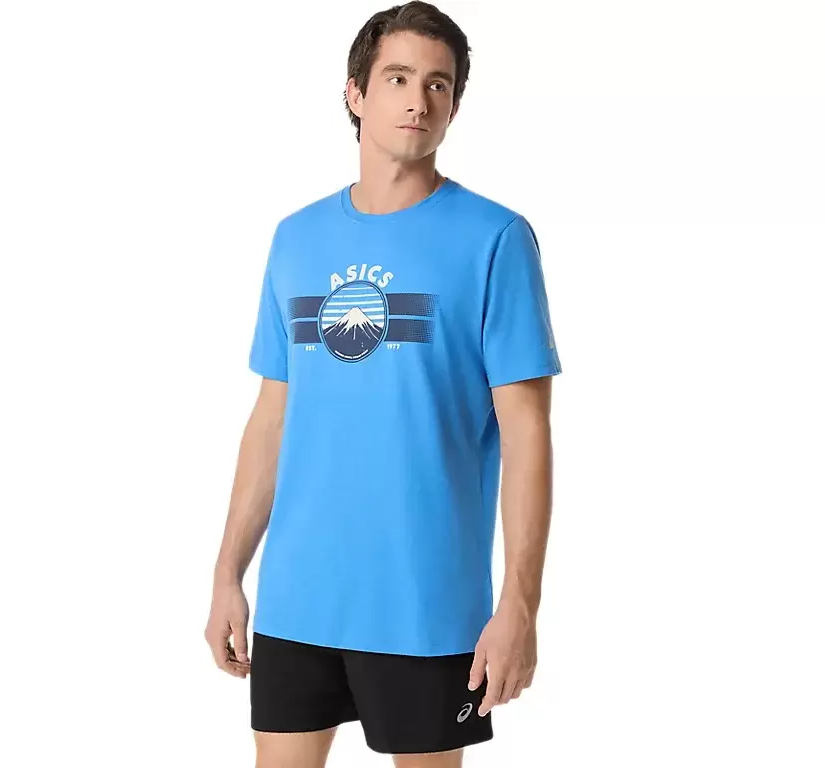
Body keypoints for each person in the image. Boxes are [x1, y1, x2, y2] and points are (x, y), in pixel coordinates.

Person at [205, 3, 562, 766]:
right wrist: (227, 573)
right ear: (355, 93)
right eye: (398, 78)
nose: (418, 100)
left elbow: (528, 432)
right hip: (297, 598)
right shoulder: (296, 238)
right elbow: (272, 418)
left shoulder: (496, 239)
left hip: (426, 604)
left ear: (455, 105)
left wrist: (520, 605)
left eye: (439, 84)